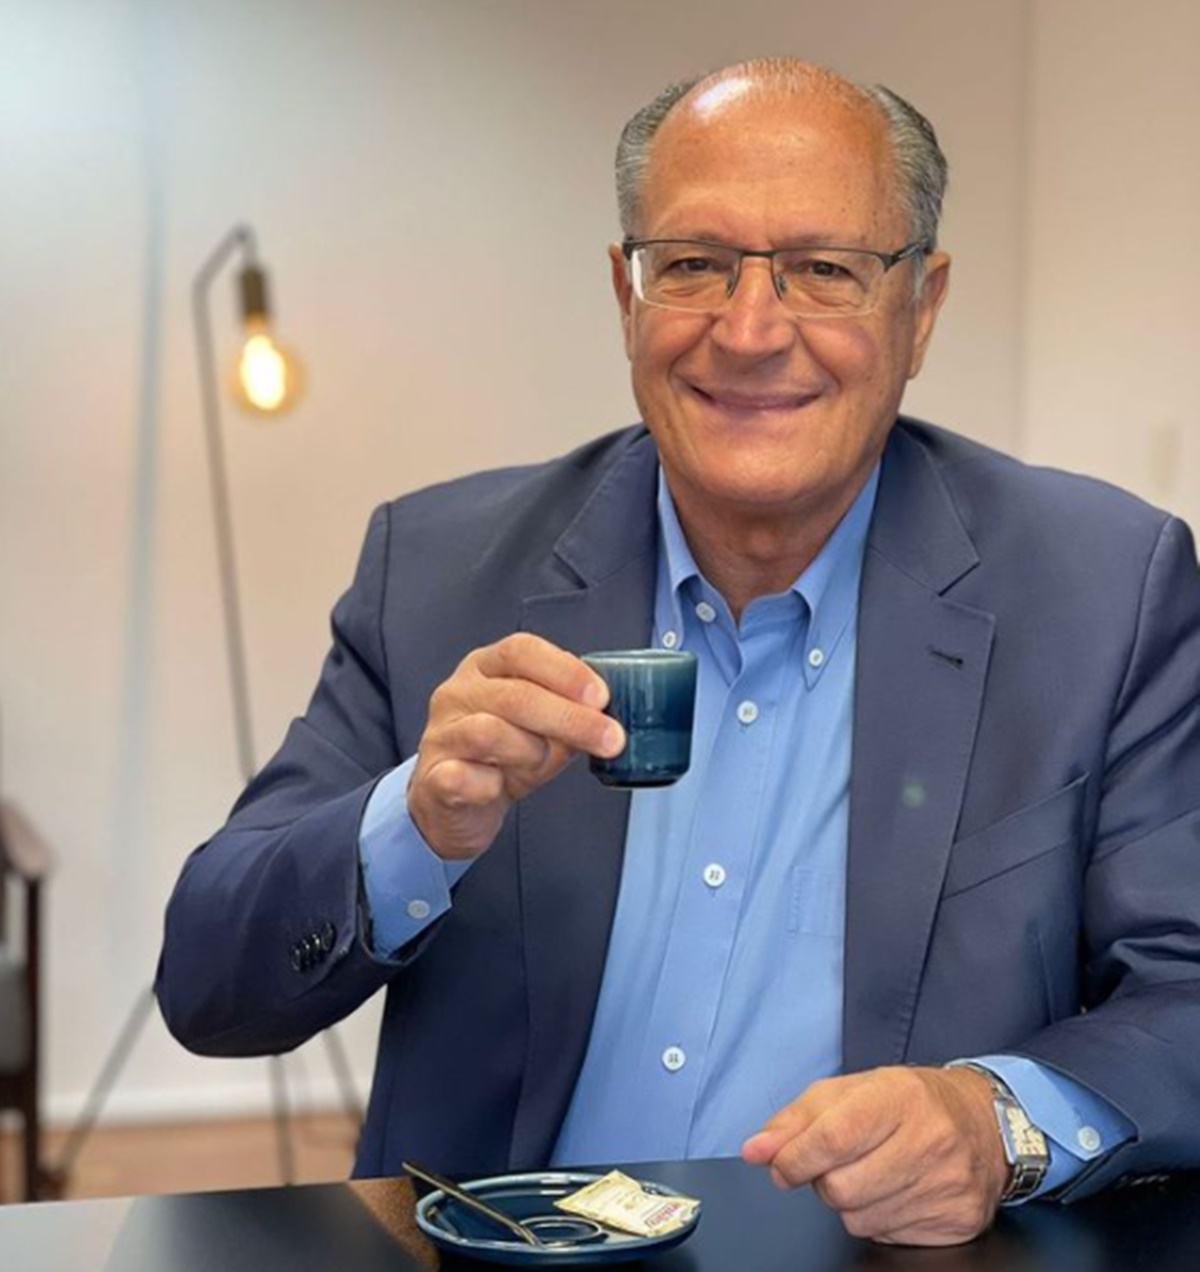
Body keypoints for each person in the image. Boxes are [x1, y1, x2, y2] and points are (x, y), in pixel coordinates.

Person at [156, 58, 1200, 1247]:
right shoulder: (439, 572)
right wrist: (415, 825)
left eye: (825, 270)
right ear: (627, 293)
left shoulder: (1103, 592)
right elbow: (207, 987)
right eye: (694, 265)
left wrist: (994, 1120)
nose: (749, 333)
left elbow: (1187, 995)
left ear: (921, 306)